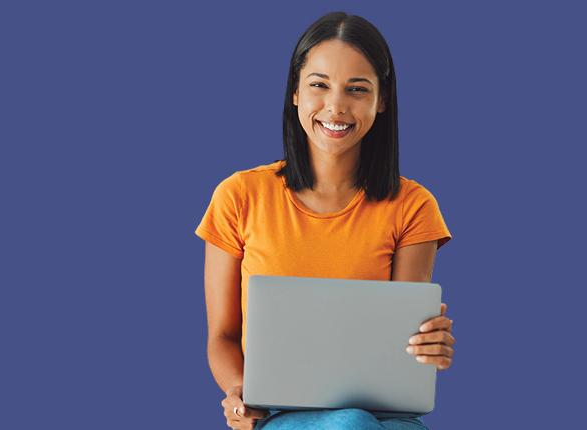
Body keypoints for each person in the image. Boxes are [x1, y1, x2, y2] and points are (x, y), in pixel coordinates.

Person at [195, 11, 455, 430]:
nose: (336, 106)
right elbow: (222, 337)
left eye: (357, 89)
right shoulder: (239, 197)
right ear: (295, 92)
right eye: (319, 85)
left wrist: (427, 348)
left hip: (386, 417)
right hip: (281, 413)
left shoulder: (413, 206)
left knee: (355, 422)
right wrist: (241, 394)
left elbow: (399, 346)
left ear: (381, 100)